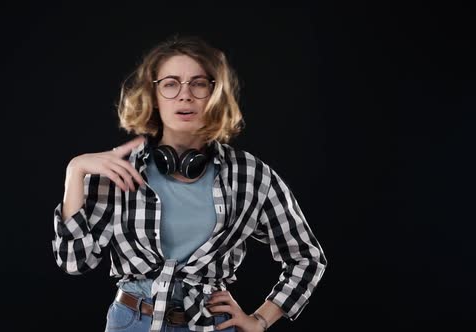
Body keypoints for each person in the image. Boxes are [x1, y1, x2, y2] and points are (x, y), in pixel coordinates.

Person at [52, 35, 327, 332]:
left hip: (211, 324)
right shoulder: (120, 169)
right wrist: (75, 170)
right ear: (154, 97)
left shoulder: (250, 174)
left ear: (215, 94)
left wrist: (260, 320)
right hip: (132, 321)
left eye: (198, 83)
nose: (185, 96)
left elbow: (307, 258)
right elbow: (73, 262)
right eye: (170, 84)